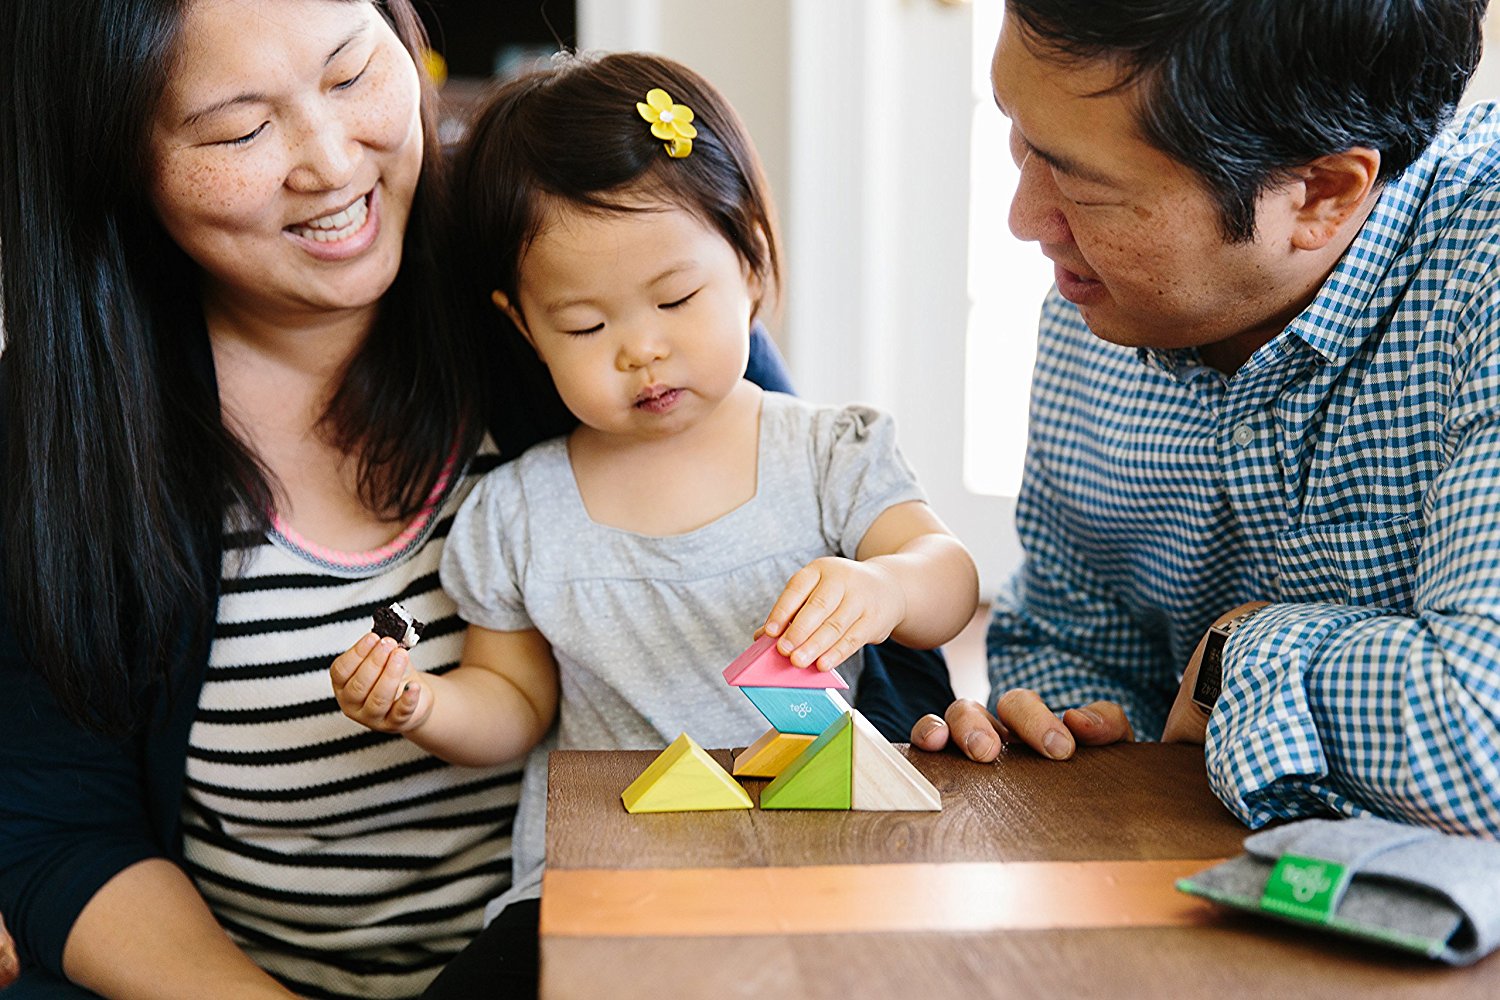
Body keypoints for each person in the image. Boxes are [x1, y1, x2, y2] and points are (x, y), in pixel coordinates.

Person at [0, 2, 812, 997]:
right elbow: (62, 830)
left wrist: (937, 715)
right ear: (116, 158)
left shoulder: (573, 266)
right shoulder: (60, 425)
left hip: (604, 955)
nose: (335, 163)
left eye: (351, 75)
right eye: (240, 130)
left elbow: (809, 564)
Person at [329, 52, 980, 995]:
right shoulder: (519, 512)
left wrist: (886, 586)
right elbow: (513, 707)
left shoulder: (827, 452)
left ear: (750, 262)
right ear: (525, 328)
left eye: (677, 299)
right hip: (589, 881)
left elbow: (946, 579)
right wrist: (425, 706)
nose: (642, 348)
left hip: (813, 852)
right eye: (586, 327)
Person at [912, 0, 1500, 839]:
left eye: (1081, 181)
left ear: (1323, 194)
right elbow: (1069, 640)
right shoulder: (1105, 301)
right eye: (1020, 136)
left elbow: (1481, 742)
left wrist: (1236, 655)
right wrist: (1066, 727)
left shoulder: (1482, 273)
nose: (1024, 220)